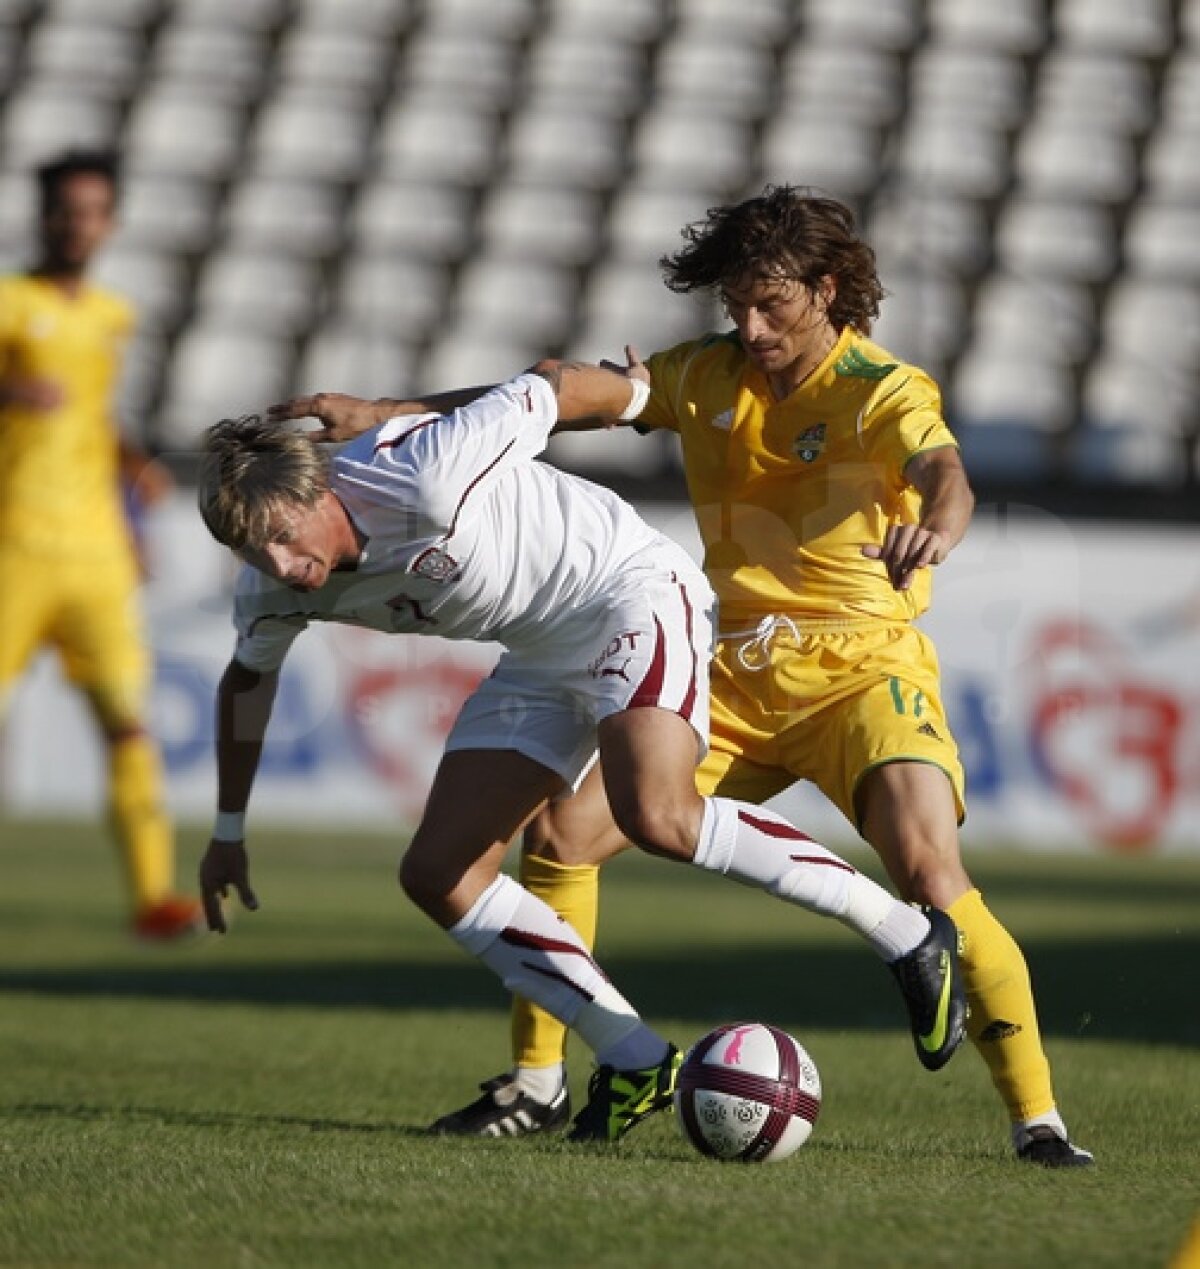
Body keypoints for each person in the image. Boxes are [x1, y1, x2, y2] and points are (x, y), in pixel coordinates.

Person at [276, 187, 1092, 1167]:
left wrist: (939, 530)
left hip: (860, 672)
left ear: (828, 291)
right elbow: (553, 396)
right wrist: (384, 412)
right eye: (736, 308)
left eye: (771, 307)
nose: (749, 329)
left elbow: (944, 475)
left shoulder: (880, 387)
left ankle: (1037, 1123)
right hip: (731, 673)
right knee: (565, 835)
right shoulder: (703, 376)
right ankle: (537, 1082)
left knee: (928, 875)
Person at [199, 358, 966, 1144]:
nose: (282, 569)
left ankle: (907, 934)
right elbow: (246, 684)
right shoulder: (272, 588)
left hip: (627, 588)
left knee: (659, 813)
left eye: (284, 539)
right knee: (438, 873)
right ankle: (634, 1056)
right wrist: (227, 832)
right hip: (540, 650)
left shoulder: (419, 471)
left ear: (319, 491)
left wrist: (641, 398)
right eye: (254, 553)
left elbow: (553, 383)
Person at [0, 151, 201, 939]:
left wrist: (133, 472)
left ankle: (154, 896)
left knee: (127, 721)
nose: (77, 223)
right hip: (13, 543)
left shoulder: (113, 314)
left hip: (95, 554)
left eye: (92, 210)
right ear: (41, 214)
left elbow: (88, 413)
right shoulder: (11, 301)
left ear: (108, 223)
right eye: (65, 209)